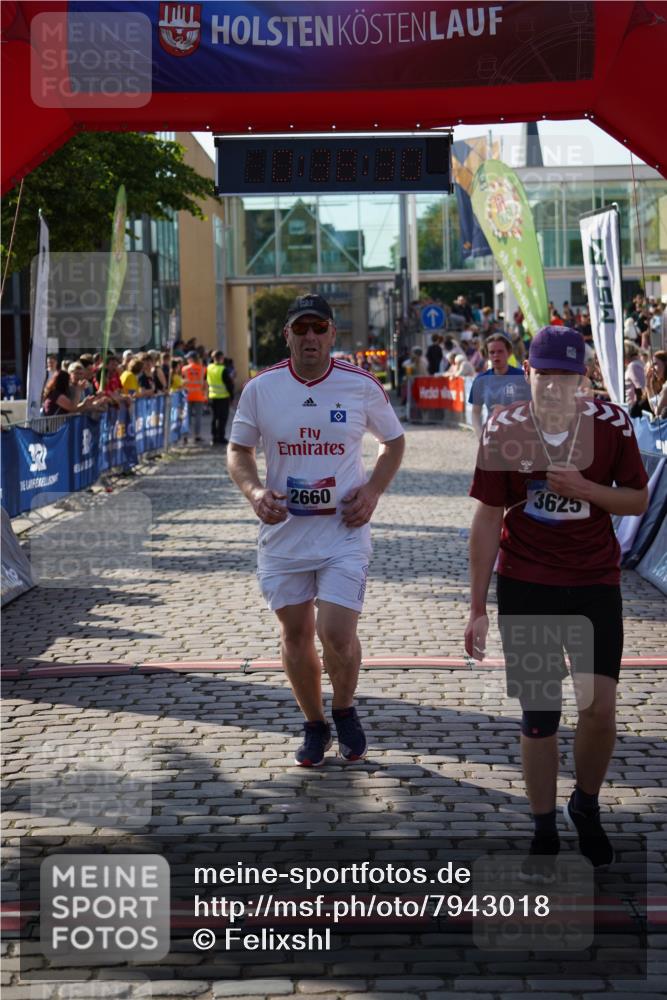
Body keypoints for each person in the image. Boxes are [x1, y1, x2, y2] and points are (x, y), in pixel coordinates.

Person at [465, 326, 649, 872]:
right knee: (540, 714)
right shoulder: (505, 429)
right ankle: (543, 828)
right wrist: (476, 605)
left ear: (582, 379)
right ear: (529, 375)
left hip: (594, 582)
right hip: (528, 583)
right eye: (544, 375)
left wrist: (586, 491)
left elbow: (638, 499)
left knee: (599, 711)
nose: (553, 387)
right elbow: (486, 517)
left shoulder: (612, 424)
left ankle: (585, 804)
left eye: (565, 377)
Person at [227, 293, 405, 767]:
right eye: (300, 329)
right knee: (295, 633)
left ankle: (344, 710)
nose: (309, 337)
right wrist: (255, 493)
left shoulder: (360, 385)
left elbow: (393, 442)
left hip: (343, 532)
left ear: (331, 334)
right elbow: (238, 452)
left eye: (318, 328)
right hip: (283, 534)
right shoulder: (260, 390)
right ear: (286, 334)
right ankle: (314, 724)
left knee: (337, 633)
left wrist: (371, 493)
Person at [469, 333, 531, 439]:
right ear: (487, 355)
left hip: (520, 438)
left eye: (500, 351)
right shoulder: (481, 380)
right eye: (492, 352)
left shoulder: (522, 377)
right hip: (493, 438)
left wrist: (509, 412)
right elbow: (475, 412)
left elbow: (534, 409)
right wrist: (480, 437)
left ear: (509, 352)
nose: (496, 355)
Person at [206, 350, 234, 446]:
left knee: (214, 418)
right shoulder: (223, 370)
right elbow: (229, 385)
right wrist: (232, 397)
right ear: (221, 358)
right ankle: (221, 437)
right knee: (222, 418)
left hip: (212, 396)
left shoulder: (209, 367)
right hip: (223, 397)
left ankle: (214, 437)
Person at [182, 350, 207, 443]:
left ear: (191, 359)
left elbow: (183, 381)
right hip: (199, 395)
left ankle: (185, 436)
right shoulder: (202, 369)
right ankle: (197, 435)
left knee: (187, 417)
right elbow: (204, 383)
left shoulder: (184, 369)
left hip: (187, 395)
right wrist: (205, 395)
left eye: (188, 358)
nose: (187, 360)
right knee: (198, 417)